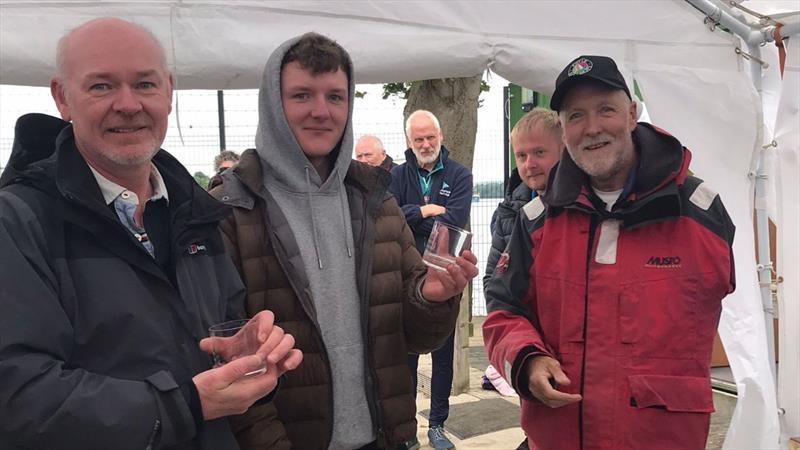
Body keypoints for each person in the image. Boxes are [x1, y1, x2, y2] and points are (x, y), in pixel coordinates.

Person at [0, 18, 301, 450]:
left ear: (169, 94)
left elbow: (211, 344)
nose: (128, 104)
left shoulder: (194, 214)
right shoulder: (19, 221)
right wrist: (187, 405)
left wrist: (244, 359)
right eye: (101, 86)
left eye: (144, 84)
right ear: (62, 98)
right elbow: (17, 397)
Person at [209, 32, 478, 450]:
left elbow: (416, 338)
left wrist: (432, 296)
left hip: (385, 437)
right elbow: (223, 360)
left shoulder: (377, 201)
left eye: (335, 97)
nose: (322, 111)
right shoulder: (231, 210)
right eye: (302, 95)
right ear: (272, 104)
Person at [482, 55, 736, 450]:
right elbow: (503, 312)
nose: (593, 127)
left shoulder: (699, 214)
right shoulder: (536, 222)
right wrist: (527, 360)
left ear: (632, 114)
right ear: (564, 129)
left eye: (606, 109)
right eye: (576, 116)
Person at [389, 110, 473, 450]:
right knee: (404, 356)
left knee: (442, 355)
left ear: (441, 137)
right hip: (403, 276)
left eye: (431, 138)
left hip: (444, 276)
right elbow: (391, 219)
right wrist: (426, 210)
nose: (426, 144)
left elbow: (455, 221)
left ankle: (438, 425)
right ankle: (408, 429)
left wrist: (414, 216)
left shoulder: (460, 174)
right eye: (419, 139)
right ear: (409, 141)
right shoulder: (396, 175)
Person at [482, 107, 563, 450]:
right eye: (522, 155)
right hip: (530, 348)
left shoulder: (573, 212)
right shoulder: (511, 211)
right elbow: (494, 284)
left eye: (540, 153)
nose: (529, 164)